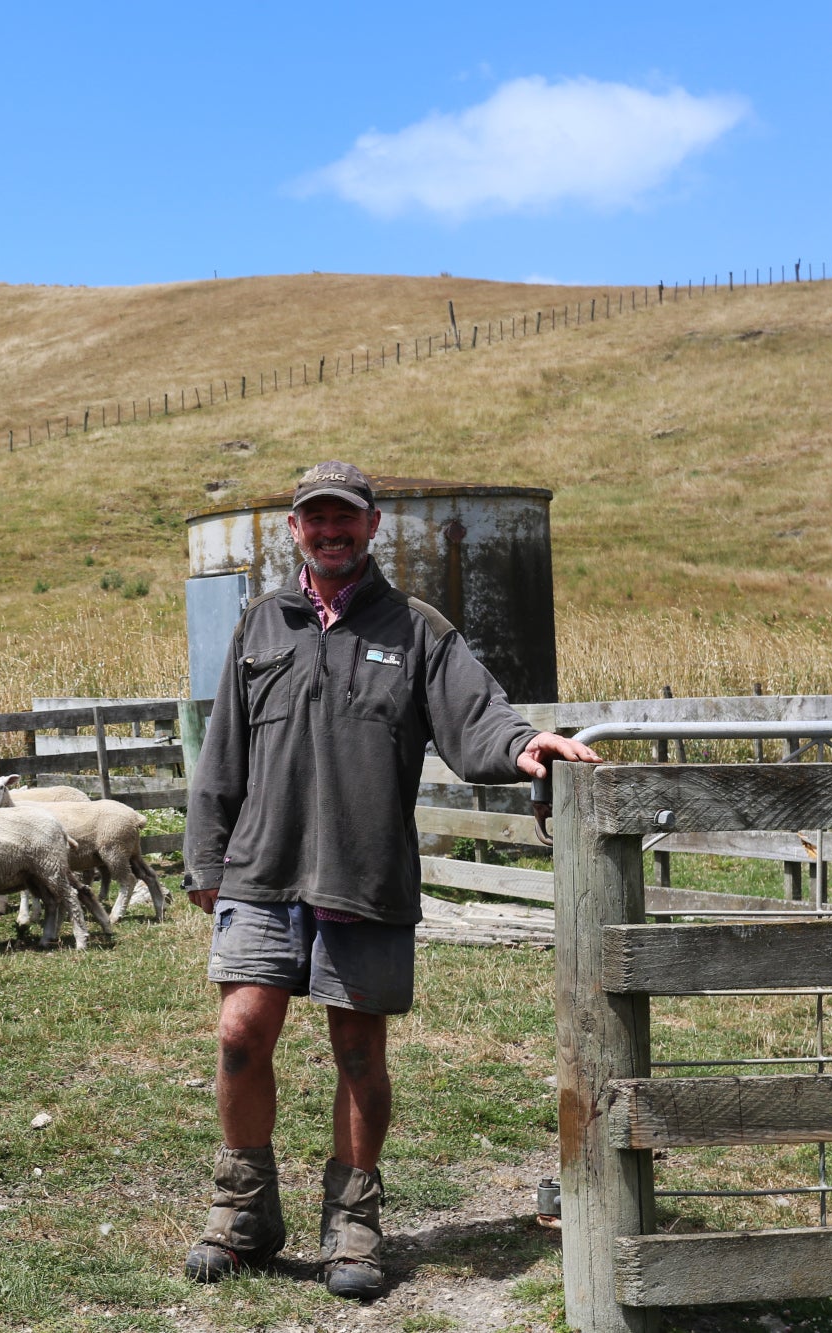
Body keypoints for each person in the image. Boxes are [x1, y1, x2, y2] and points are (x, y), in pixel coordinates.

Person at [180, 461, 600, 1299]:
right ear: (294, 530)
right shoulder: (261, 624)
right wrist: (206, 854)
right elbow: (222, 748)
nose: (330, 531)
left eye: (346, 518)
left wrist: (524, 746)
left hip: (362, 873)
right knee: (239, 1033)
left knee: (358, 1052)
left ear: (372, 527)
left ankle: (354, 1221)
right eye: (314, 519)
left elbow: (475, 714)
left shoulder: (417, 628)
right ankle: (245, 1211)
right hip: (261, 868)